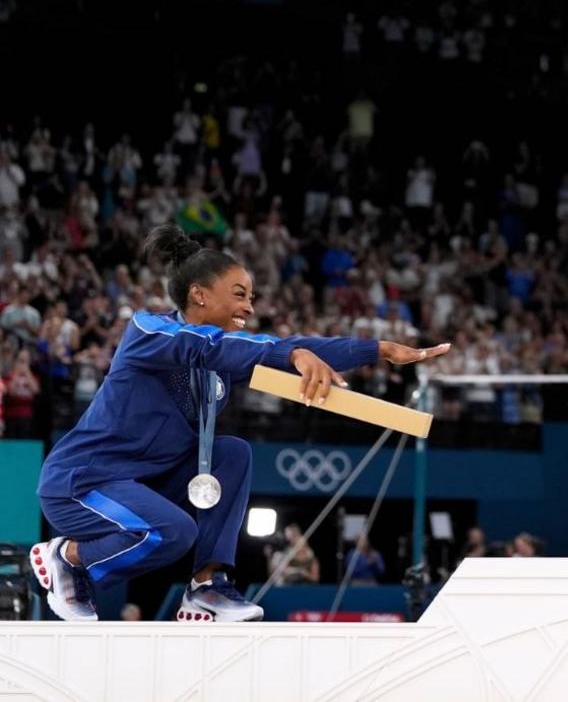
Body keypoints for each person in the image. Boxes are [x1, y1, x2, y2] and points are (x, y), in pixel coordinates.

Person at [30, 225, 450, 622]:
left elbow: (275, 348)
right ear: (198, 294)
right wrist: (290, 356)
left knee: (233, 453)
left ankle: (207, 585)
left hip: (146, 482)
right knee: (172, 531)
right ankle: (66, 558)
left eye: (251, 296)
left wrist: (376, 349)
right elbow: (217, 346)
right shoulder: (147, 330)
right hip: (82, 482)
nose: (250, 306)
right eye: (239, 294)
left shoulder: (223, 361)